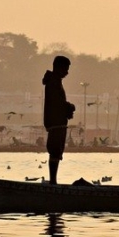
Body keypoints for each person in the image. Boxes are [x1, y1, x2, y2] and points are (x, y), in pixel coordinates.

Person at [42, 55, 75, 184]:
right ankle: (53, 182)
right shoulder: (53, 82)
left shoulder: (55, 81)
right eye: (66, 69)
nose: (67, 72)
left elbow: (58, 103)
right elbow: (57, 104)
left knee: (56, 152)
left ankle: (53, 181)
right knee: (55, 152)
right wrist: (70, 107)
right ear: (59, 68)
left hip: (57, 123)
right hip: (56, 123)